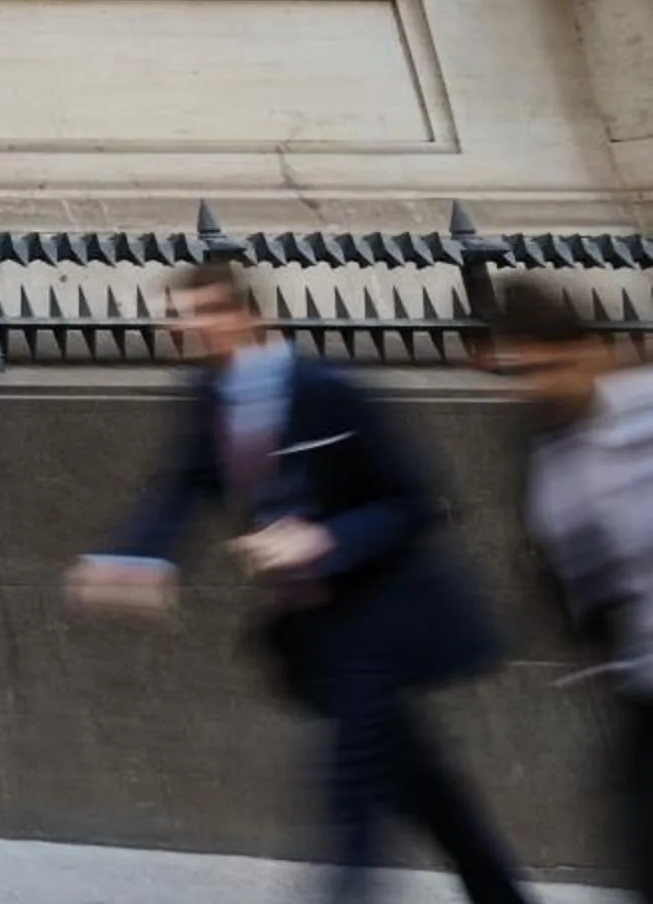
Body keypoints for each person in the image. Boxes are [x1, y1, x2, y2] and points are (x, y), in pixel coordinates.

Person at [68, 260, 523, 904]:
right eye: (176, 315)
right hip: (317, 628)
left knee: (351, 792)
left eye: (203, 312)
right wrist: (134, 559)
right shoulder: (204, 396)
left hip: (382, 613)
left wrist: (325, 539)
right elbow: (180, 489)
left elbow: (417, 500)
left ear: (246, 317)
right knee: (422, 786)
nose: (185, 327)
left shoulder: (329, 390)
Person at [489, 275, 652, 901]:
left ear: (591, 351)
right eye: (523, 372)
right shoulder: (548, 452)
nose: (539, 387)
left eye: (551, 367)